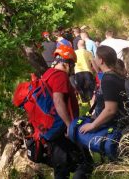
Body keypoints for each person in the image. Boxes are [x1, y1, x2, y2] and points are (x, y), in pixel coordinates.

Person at [42, 44, 89, 179]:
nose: (72, 68)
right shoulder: (60, 76)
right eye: (72, 64)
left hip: (52, 129)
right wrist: (70, 126)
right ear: (67, 63)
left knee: (61, 169)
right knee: (84, 163)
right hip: (63, 130)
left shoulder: (47, 74)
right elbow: (58, 101)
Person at [80, 45, 128, 135]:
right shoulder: (117, 75)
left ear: (101, 60)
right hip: (120, 124)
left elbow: (110, 110)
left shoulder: (108, 79)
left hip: (114, 128)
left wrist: (92, 125)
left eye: (96, 57)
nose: (94, 59)